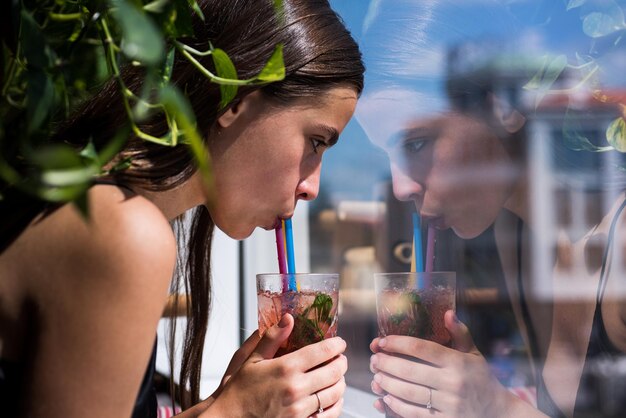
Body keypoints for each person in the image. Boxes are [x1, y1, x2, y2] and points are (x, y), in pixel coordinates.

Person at [0, 0, 364, 416]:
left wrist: (229, 404)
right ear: (236, 101)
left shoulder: (104, 202)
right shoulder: (122, 231)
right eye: (316, 141)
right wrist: (233, 412)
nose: (312, 188)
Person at [356, 0, 626, 417]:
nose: (400, 186)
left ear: (501, 102)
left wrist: (493, 407)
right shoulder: (516, 236)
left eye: (415, 143)